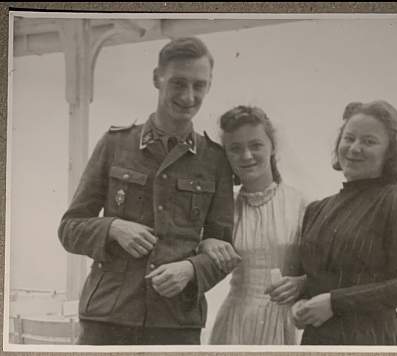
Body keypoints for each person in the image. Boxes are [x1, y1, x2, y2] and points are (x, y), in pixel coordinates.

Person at [57, 37, 237, 345]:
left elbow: (223, 251)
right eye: (178, 83)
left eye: (199, 85)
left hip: (176, 324)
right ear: (157, 78)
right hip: (107, 319)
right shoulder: (115, 145)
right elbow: (69, 229)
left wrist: (191, 270)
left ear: (209, 85)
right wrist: (113, 227)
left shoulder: (215, 160)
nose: (188, 96)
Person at [292, 100, 397, 345]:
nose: (355, 148)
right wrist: (300, 304)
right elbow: (315, 279)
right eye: (349, 138)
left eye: (369, 141)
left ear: (390, 152)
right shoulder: (316, 209)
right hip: (318, 339)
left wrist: (335, 303)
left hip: (372, 339)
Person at [199, 105, 308, 344]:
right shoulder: (223, 209)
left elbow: (322, 267)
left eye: (256, 145)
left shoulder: (301, 203)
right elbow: (202, 260)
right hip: (236, 321)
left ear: (272, 147)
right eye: (235, 149)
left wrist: (302, 283)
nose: (247, 156)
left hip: (285, 321)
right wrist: (206, 242)